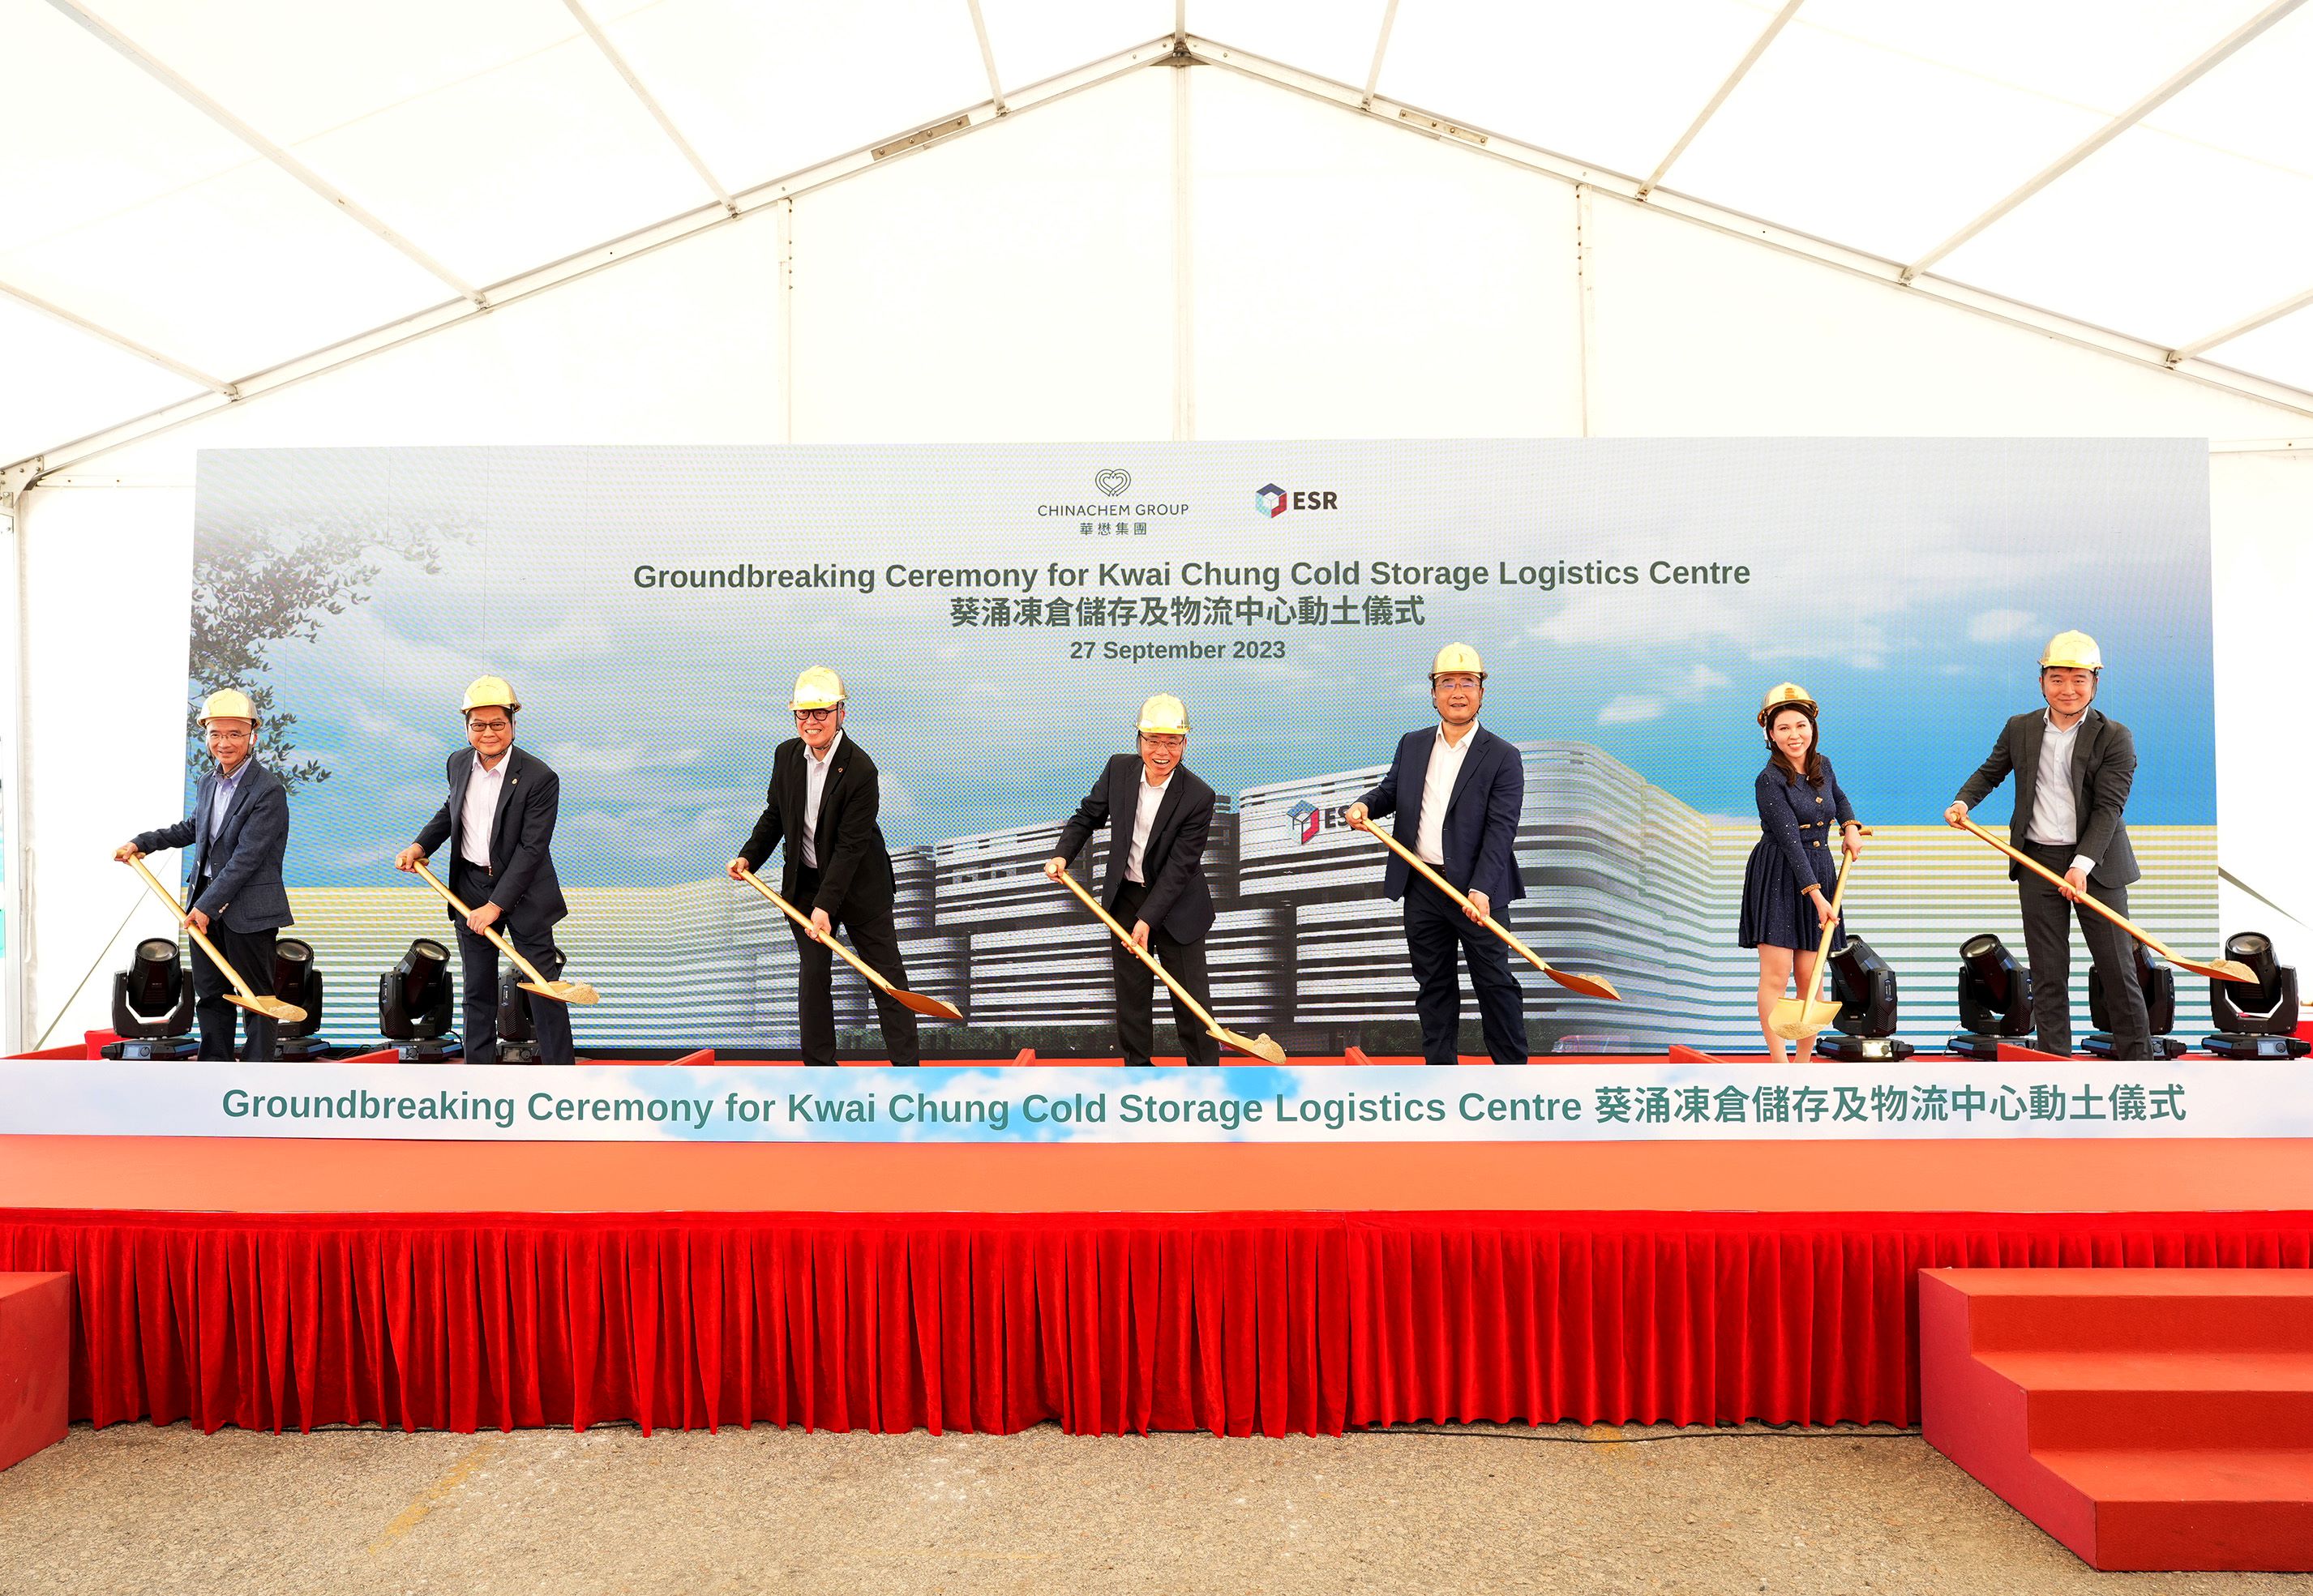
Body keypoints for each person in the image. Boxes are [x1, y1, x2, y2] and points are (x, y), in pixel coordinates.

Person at [1944, 630, 2148, 1059]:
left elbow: (2108, 809)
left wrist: (2081, 866)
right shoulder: (2020, 728)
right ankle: (2056, 1063)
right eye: (2057, 678)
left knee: (2117, 969)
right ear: (2042, 681)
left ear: (2095, 683)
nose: (2067, 689)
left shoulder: (2115, 736)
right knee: (2048, 972)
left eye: (2078, 679)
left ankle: (2138, 1063)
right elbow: (1991, 771)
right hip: (2035, 859)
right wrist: (1964, 801)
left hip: (2098, 864)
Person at [1343, 644, 1528, 1066]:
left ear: (1482, 692)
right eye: (1448, 683)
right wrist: (1366, 805)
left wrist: (1482, 888)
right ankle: (1440, 1076)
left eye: (1468, 683)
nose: (1458, 692)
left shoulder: (1503, 756)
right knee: (1433, 985)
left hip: (1478, 891)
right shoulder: (1413, 744)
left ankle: (1515, 1078)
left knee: (1495, 983)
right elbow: (1392, 790)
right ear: (1433, 691)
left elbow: (1502, 830)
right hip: (1422, 883)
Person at [729, 667, 920, 1068]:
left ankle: (909, 1074)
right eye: (803, 714)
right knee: (813, 979)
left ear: (840, 714)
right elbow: (775, 816)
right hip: (806, 885)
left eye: (821, 713)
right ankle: (819, 1071)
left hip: (860, 887)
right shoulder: (786, 755)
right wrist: (749, 856)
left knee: (885, 980)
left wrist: (826, 907)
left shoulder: (862, 770)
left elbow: (851, 848)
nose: (811, 722)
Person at [394, 676, 576, 1066]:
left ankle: (563, 1078)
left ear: (513, 723)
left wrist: (496, 906)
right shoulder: (458, 763)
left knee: (544, 989)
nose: (488, 732)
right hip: (470, 888)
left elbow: (532, 850)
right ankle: (479, 1078)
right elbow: (450, 811)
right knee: (477, 991)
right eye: (479, 724)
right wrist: (421, 846)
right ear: (467, 726)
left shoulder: (540, 777)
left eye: (497, 723)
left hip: (524, 894)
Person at [114, 688, 293, 1060]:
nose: (223, 743)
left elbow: (247, 859)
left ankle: (258, 1076)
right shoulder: (208, 782)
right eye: (215, 733)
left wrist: (208, 906)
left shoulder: (268, 790)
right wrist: (143, 843)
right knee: (211, 994)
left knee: (255, 996)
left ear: (252, 736)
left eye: (234, 734)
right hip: (205, 901)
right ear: (205, 734)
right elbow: (194, 828)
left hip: (247, 908)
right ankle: (216, 1069)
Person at [1043, 694, 1219, 1067]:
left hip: (1177, 906)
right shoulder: (1118, 770)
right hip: (1125, 898)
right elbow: (1086, 816)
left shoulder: (1200, 796)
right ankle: (1138, 1075)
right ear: (1138, 739)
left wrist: (1148, 919)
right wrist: (1063, 854)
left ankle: (1207, 1082)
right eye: (1153, 740)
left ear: (1185, 743)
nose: (1162, 751)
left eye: (1172, 742)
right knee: (1132, 999)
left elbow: (1180, 868)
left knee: (1190, 1002)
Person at [1738, 683, 1863, 1063]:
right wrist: (1818, 896)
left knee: (1812, 978)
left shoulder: (1822, 764)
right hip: (1779, 873)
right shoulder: (1768, 780)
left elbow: (1839, 798)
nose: (1794, 735)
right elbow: (1790, 841)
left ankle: (1804, 1065)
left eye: (1801, 726)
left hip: (1820, 866)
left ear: (1812, 727)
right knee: (1776, 976)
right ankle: (1779, 1064)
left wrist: (1850, 827)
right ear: (1770, 734)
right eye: (1783, 728)